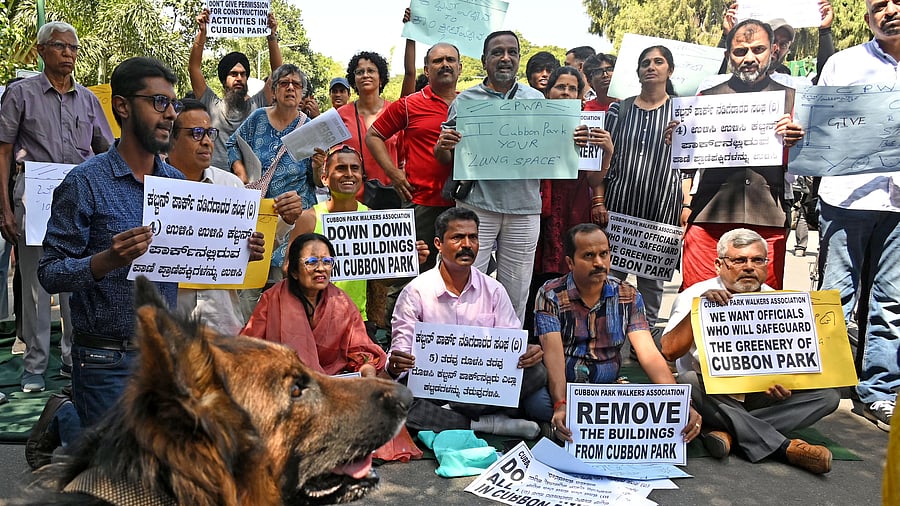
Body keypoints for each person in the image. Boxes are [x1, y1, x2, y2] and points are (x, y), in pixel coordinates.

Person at [660, 228, 839, 473]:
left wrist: (783, 383)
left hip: (758, 394)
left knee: (828, 396)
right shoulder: (694, 295)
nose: (749, 267)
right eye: (739, 260)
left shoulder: (778, 301)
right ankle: (784, 447)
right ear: (718, 265)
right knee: (689, 380)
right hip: (712, 395)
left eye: (757, 260)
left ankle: (728, 434)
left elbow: (786, 359)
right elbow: (669, 351)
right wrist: (699, 309)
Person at [0, 21, 114, 393]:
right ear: (41, 51)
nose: (68, 53)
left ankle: (71, 357)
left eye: (73, 48)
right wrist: (4, 208)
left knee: (76, 277)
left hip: (80, 198)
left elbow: (105, 151)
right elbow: (3, 150)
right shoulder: (21, 94)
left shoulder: (89, 100)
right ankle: (34, 365)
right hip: (32, 194)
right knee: (35, 283)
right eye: (60, 46)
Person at [529, 223, 701, 443]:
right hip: (566, 387)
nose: (599, 263)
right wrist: (561, 403)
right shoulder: (550, 295)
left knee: (660, 404)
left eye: (604, 254)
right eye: (589, 255)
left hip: (608, 390)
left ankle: (570, 425)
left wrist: (681, 404)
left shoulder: (628, 294)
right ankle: (565, 420)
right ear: (570, 263)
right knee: (537, 402)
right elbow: (553, 357)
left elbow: (648, 354)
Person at [814, 0, 900, 431]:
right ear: (868, 17)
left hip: (898, 207)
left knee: (892, 301)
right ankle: (822, 388)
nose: (888, 11)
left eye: (895, 2)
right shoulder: (843, 65)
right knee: (834, 297)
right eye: (878, 5)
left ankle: (879, 392)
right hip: (846, 198)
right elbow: (818, 126)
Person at [389, 208, 546, 438]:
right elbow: (400, 351)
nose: (467, 244)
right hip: (435, 389)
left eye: (473, 237)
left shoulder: (493, 290)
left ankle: (450, 415)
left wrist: (526, 353)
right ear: (438, 244)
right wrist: (396, 364)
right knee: (397, 403)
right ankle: (484, 425)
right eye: (457, 238)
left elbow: (511, 343)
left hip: (481, 387)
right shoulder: (415, 291)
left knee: (537, 372)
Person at [680, 19, 805, 291]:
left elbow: (817, 160)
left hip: (768, 217)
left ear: (773, 51)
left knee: (761, 309)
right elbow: (686, 161)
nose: (749, 57)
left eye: (757, 49)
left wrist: (799, 140)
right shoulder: (706, 97)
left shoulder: (794, 99)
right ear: (728, 56)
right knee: (697, 304)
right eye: (740, 51)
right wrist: (678, 139)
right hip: (707, 217)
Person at [433, 31, 546, 325]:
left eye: (512, 52)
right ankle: (459, 351)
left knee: (516, 290)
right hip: (476, 208)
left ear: (519, 59)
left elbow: (549, 152)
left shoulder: (537, 100)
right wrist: (442, 147)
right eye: (497, 52)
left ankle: (507, 359)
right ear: (484, 61)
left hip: (523, 208)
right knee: (462, 283)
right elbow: (446, 159)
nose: (505, 58)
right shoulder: (466, 101)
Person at [169, 98, 284, 335]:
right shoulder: (151, 187)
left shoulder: (231, 185)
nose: (207, 142)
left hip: (223, 323)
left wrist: (278, 228)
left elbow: (258, 249)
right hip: (169, 325)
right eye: (196, 133)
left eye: (210, 133)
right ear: (171, 138)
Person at [601, 46, 682, 329]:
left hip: (661, 211)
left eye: (658, 62)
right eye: (645, 62)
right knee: (609, 282)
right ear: (637, 72)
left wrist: (685, 205)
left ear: (669, 70)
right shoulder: (618, 109)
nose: (651, 67)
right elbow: (601, 159)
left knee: (652, 286)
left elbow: (693, 163)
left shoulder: (682, 111)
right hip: (619, 209)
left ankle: (644, 344)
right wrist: (599, 202)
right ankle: (607, 340)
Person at [368, 42, 461, 272]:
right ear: (427, 70)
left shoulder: (473, 104)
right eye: (438, 61)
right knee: (410, 273)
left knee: (457, 273)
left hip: (464, 203)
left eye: (450, 60)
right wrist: (393, 173)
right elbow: (373, 135)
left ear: (460, 67)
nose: (445, 65)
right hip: (421, 204)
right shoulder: (409, 105)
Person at [242, 232, 387, 377]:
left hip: (333, 384)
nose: (321, 268)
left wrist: (367, 371)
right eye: (312, 262)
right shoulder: (273, 298)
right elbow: (247, 349)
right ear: (293, 271)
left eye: (327, 261)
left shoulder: (341, 302)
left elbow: (361, 350)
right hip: (284, 384)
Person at [227, 64, 312, 281]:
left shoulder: (310, 128)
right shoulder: (258, 118)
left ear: (302, 92)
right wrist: (241, 175)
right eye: (284, 83)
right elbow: (232, 143)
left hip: (291, 220)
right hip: (257, 216)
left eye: (296, 84)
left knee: (284, 288)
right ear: (273, 91)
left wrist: (320, 164)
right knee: (248, 285)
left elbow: (318, 179)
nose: (290, 88)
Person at [536, 66, 611, 277]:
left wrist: (607, 153)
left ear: (580, 96)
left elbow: (593, 179)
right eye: (560, 87)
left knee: (572, 269)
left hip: (574, 207)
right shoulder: (532, 122)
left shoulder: (589, 125)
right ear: (548, 92)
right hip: (537, 205)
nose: (566, 92)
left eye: (572, 88)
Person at [190, 8, 282, 176]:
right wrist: (202, 33)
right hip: (215, 181)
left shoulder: (257, 104)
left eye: (243, 74)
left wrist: (271, 36)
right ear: (224, 80)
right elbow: (194, 68)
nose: (239, 78)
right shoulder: (211, 105)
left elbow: (278, 71)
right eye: (233, 74)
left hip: (250, 184)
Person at [337, 51, 401, 199]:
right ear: (353, 81)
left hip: (390, 195)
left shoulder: (395, 112)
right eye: (360, 72)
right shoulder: (340, 115)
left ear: (381, 79)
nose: (365, 75)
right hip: (351, 199)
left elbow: (404, 157)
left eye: (371, 70)